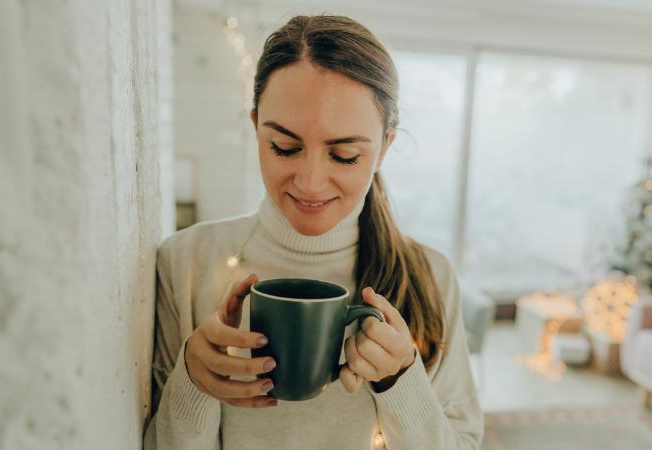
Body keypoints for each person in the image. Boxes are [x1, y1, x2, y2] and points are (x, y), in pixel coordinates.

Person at [143, 14, 483, 450]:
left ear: (384, 150)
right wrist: (194, 381)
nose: (310, 182)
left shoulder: (429, 276)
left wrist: (402, 383)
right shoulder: (186, 261)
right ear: (255, 129)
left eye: (343, 155)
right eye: (284, 147)